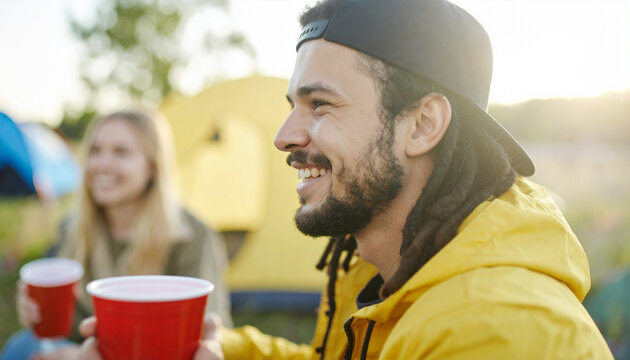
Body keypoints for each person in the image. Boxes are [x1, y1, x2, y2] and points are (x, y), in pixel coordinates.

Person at [80, 0, 614, 359]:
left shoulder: (496, 330)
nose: (284, 136)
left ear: (422, 125)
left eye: (321, 105)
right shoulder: (385, 269)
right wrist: (223, 347)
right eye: (292, 105)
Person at [1, 110, 232, 360]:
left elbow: (213, 331)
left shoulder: (192, 236)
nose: (101, 164)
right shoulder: (72, 229)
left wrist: (75, 356)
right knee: (21, 347)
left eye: (121, 153)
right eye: (96, 151)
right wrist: (37, 312)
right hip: (85, 348)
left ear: (153, 167)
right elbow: (71, 326)